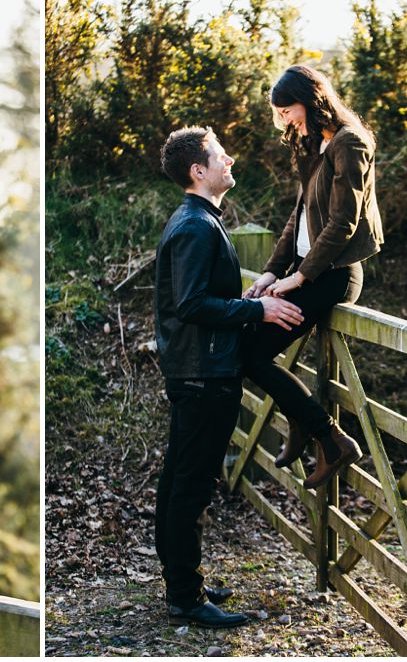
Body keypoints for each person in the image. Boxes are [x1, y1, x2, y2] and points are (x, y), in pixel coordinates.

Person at [154, 126, 304, 628]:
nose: (230, 160)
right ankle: (186, 598)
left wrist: (248, 304)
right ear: (199, 171)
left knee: (179, 477)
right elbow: (192, 304)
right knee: (191, 485)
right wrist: (255, 310)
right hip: (203, 372)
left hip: (197, 368)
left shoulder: (197, 221)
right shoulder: (196, 226)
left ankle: (181, 579)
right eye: (221, 156)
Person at [242, 64, 383, 489]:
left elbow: (343, 221)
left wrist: (298, 278)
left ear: (312, 98)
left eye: (289, 109)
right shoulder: (313, 146)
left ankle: (331, 440)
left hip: (333, 276)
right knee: (250, 349)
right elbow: (298, 217)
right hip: (306, 273)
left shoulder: (350, 143)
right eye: (280, 113)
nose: (285, 119)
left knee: (249, 355)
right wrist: (271, 272)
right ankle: (304, 425)